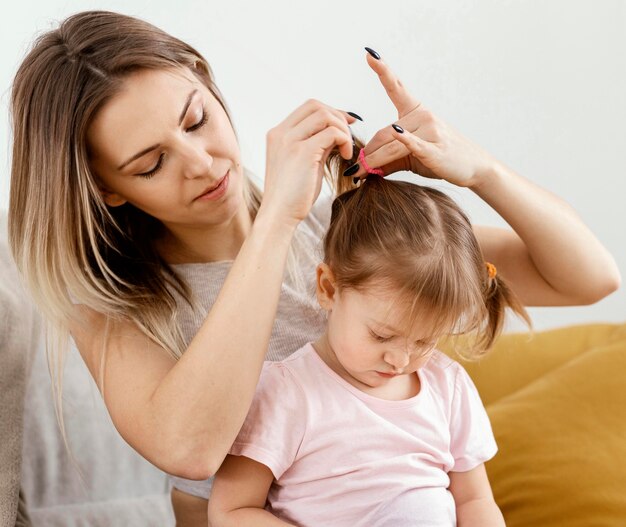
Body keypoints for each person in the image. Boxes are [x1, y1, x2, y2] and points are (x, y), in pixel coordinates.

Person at [6, 10, 619, 526]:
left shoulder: (339, 231)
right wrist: (275, 220)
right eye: (149, 164)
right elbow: (189, 449)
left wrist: (479, 169)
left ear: (208, 85)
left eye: (197, 120)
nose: (201, 162)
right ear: (105, 189)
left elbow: (590, 280)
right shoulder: (106, 299)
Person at [207, 155, 528, 525]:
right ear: (329, 289)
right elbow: (231, 511)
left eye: (425, 342)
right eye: (382, 335)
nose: (400, 359)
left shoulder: (447, 386)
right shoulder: (286, 393)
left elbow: (474, 500)